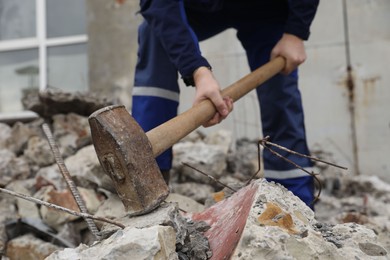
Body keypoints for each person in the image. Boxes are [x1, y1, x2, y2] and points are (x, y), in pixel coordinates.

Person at [132, 0, 320, 208]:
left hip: (267, 11)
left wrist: (295, 32)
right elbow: (157, 4)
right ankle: (147, 182)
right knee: (154, 34)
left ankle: (295, 203)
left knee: (280, 95)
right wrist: (197, 70)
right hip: (199, 7)